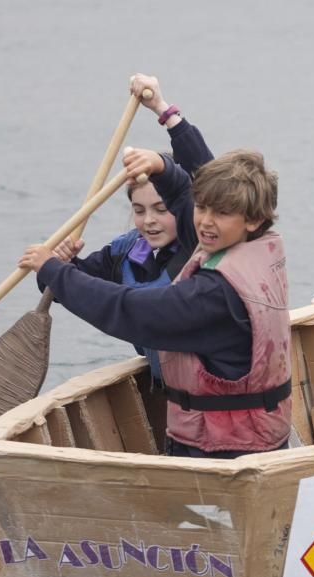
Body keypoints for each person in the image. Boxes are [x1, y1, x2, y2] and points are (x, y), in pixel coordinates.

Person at [19, 148, 291, 458]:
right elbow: (180, 195)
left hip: (227, 449)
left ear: (254, 219)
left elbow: (134, 312)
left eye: (222, 213)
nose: (205, 222)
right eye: (201, 208)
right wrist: (161, 167)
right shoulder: (260, 250)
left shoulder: (214, 293)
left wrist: (56, 272)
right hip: (254, 434)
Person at [44, 73, 215, 383]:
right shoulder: (124, 252)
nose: (149, 220)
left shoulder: (200, 244)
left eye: (161, 210)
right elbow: (65, 289)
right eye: (139, 210)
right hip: (173, 395)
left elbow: (209, 177)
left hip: (211, 388)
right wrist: (58, 265)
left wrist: (163, 110)